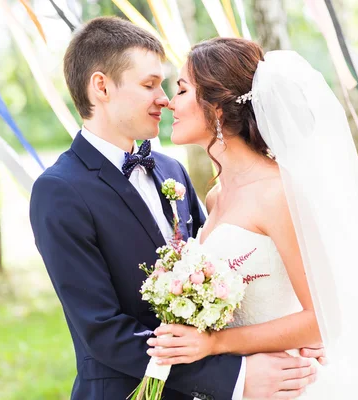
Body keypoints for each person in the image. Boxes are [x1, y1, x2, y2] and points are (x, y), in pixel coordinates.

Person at [146, 37, 358, 399]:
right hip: (246, 384)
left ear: (218, 107)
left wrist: (215, 343)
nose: (168, 102)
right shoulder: (216, 195)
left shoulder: (278, 193)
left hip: (291, 383)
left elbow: (322, 319)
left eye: (181, 90)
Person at [30, 18, 318, 400]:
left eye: (170, 85)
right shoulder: (59, 191)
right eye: (149, 85)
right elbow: (103, 331)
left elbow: (227, 278)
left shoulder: (171, 170)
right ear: (101, 87)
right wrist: (235, 376)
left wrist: (301, 335)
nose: (164, 98)